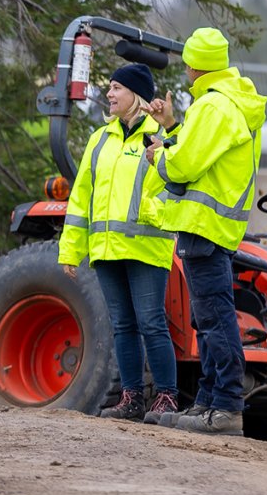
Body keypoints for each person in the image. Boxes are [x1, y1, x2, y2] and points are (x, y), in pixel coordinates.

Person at [143, 27, 266, 436]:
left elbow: (185, 166)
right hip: (212, 227)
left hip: (204, 225)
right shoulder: (225, 102)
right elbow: (201, 154)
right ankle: (209, 402)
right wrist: (173, 129)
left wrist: (159, 156)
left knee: (214, 320)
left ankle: (226, 406)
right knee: (208, 318)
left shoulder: (214, 106)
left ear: (195, 64)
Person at [57, 63, 179, 425]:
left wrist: (152, 212)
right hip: (107, 250)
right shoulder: (100, 139)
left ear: (136, 95)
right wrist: (71, 250)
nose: (109, 94)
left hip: (146, 248)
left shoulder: (162, 135)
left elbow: (178, 184)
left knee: (152, 323)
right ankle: (132, 399)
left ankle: (168, 398)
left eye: (116, 88)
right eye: (109, 88)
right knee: (122, 326)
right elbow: (81, 199)